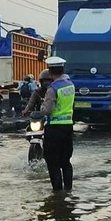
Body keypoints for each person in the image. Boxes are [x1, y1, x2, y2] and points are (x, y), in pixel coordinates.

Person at [40, 57, 75, 191]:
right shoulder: (70, 85)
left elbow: (48, 110)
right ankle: (68, 190)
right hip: (68, 127)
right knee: (65, 161)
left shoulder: (52, 88)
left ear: (50, 72)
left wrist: (41, 108)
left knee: (52, 162)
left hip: (54, 128)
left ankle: (57, 193)